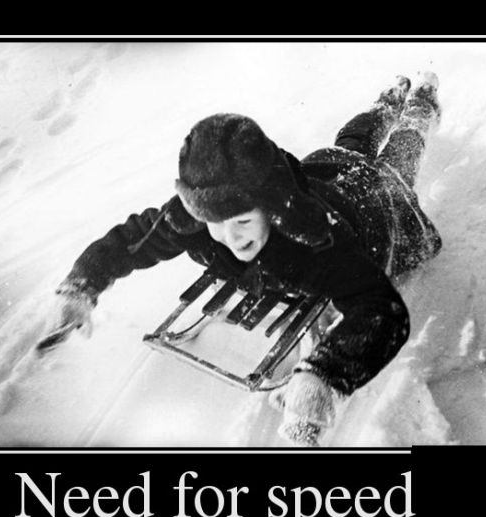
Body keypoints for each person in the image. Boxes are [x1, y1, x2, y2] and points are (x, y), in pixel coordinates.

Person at [44, 72, 443, 447]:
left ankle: (420, 106)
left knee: (398, 160)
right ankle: (386, 102)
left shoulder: (315, 241)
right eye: (215, 223)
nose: (231, 238)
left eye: (243, 221)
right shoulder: (196, 221)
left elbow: (381, 310)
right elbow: (129, 241)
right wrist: (81, 286)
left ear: (273, 208)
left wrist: (324, 376)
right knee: (351, 140)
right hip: (321, 173)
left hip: (373, 203)